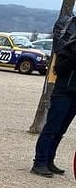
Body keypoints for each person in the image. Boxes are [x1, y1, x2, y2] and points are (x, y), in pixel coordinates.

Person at [30, 22, 76, 177]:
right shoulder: (69, 48)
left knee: (61, 130)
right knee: (51, 128)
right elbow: (59, 69)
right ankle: (39, 162)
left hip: (74, 94)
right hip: (63, 92)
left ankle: (49, 160)